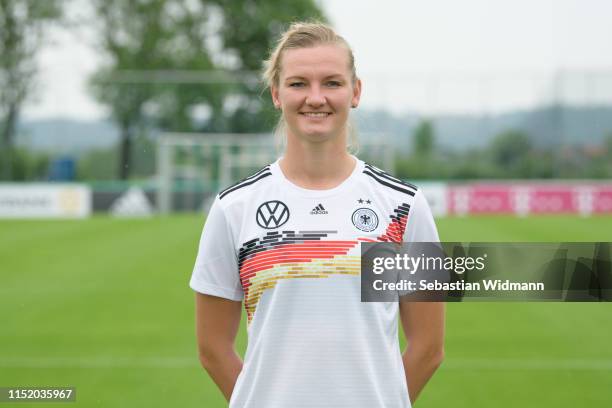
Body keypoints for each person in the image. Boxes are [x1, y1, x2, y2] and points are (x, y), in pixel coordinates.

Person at [190, 21, 445, 408]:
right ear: (276, 93)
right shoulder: (234, 208)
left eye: (331, 82)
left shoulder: (403, 205)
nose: (315, 97)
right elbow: (212, 348)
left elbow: (428, 347)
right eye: (297, 84)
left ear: (355, 91)